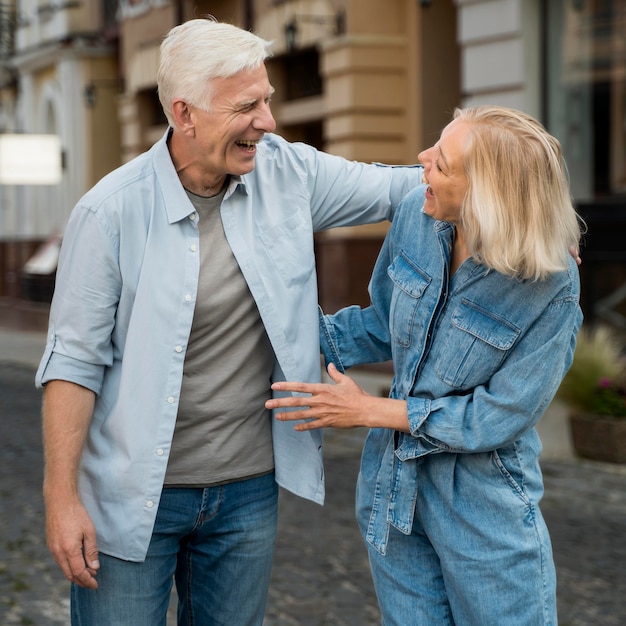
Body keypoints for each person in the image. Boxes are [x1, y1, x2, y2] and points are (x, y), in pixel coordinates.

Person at [35, 18, 423, 626]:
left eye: (266, 100)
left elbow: (411, 187)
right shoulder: (109, 213)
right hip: (133, 494)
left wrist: (533, 211)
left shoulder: (288, 175)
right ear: (185, 114)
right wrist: (62, 499)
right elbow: (74, 364)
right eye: (247, 106)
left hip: (246, 493)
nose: (267, 121)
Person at [267, 105, 583, 625]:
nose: (422, 164)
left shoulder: (549, 286)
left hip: (484, 511)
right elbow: (381, 324)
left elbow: (497, 416)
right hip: (393, 494)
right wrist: (260, 334)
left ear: (487, 196)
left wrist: (370, 411)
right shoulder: (417, 213)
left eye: (441, 162)